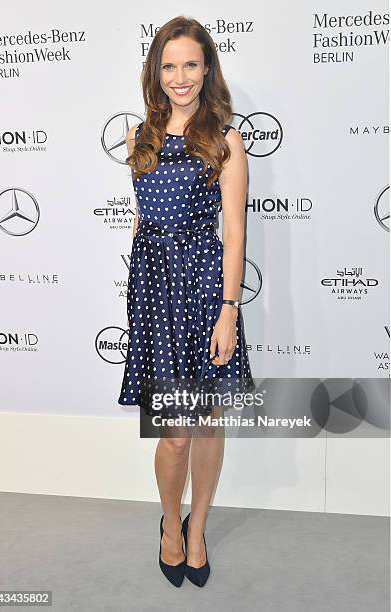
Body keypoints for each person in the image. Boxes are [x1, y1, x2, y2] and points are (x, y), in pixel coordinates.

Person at [118, 15, 254, 587]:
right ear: (157, 70)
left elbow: (235, 231)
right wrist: (136, 295)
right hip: (155, 293)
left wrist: (229, 310)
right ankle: (169, 524)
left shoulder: (225, 139)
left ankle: (197, 529)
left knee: (204, 425)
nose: (180, 77)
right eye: (169, 65)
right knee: (172, 431)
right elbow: (140, 219)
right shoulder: (139, 135)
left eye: (191, 64)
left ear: (207, 69)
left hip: (204, 294)